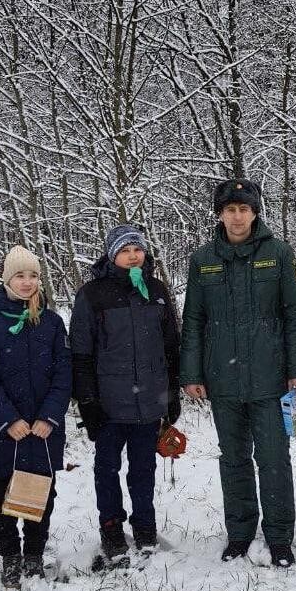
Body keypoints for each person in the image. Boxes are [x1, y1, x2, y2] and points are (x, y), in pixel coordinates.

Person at [180, 178, 296, 567]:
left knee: (274, 458)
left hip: (271, 381)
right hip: (222, 380)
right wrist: (191, 373)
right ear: (220, 214)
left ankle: (280, 537)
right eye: (230, 209)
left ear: (255, 212)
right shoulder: (203, 259)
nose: (237, 217)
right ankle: (239, 534)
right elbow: (194, 320)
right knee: (233, 458)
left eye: (244, 209)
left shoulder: (280, 254)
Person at [70, 225, 181, 568]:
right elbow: (81, 354)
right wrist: (88, 402)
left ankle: (145, 526)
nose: (133, 255)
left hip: (149, 401)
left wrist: (171, 394)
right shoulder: (92, 294)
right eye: (125, 249)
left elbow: (171, 347)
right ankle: (112, 528)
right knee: (107, 469)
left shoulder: (157, 291)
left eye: (138, 249)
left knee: (144, 468)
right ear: (111, 254)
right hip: (108, 404)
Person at [0, 245, 72, 587]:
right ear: (6, 279)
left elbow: (63, 373)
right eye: (20, 275)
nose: (27, 283)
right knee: (0, 493)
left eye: (34, 276)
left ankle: (34, 552)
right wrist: (8, 418)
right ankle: (9, 551)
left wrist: (50, 416)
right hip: (5, 430)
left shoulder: (52, 323)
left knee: (41, 491)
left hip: (43, 428)